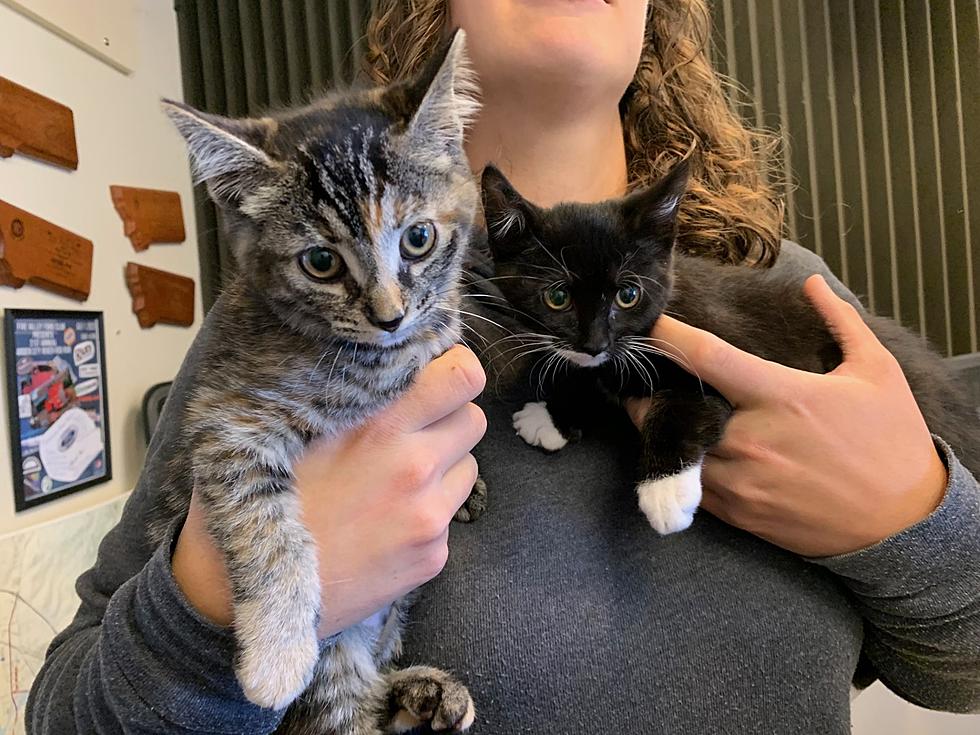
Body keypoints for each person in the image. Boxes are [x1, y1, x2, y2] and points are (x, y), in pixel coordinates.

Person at [27, 1, 980, 733]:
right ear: (435, 14)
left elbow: (961, 665)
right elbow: (67, 711)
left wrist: (910, 519)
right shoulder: (286, 322)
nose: (385, 294)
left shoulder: (793, 293)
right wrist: (222, 597)